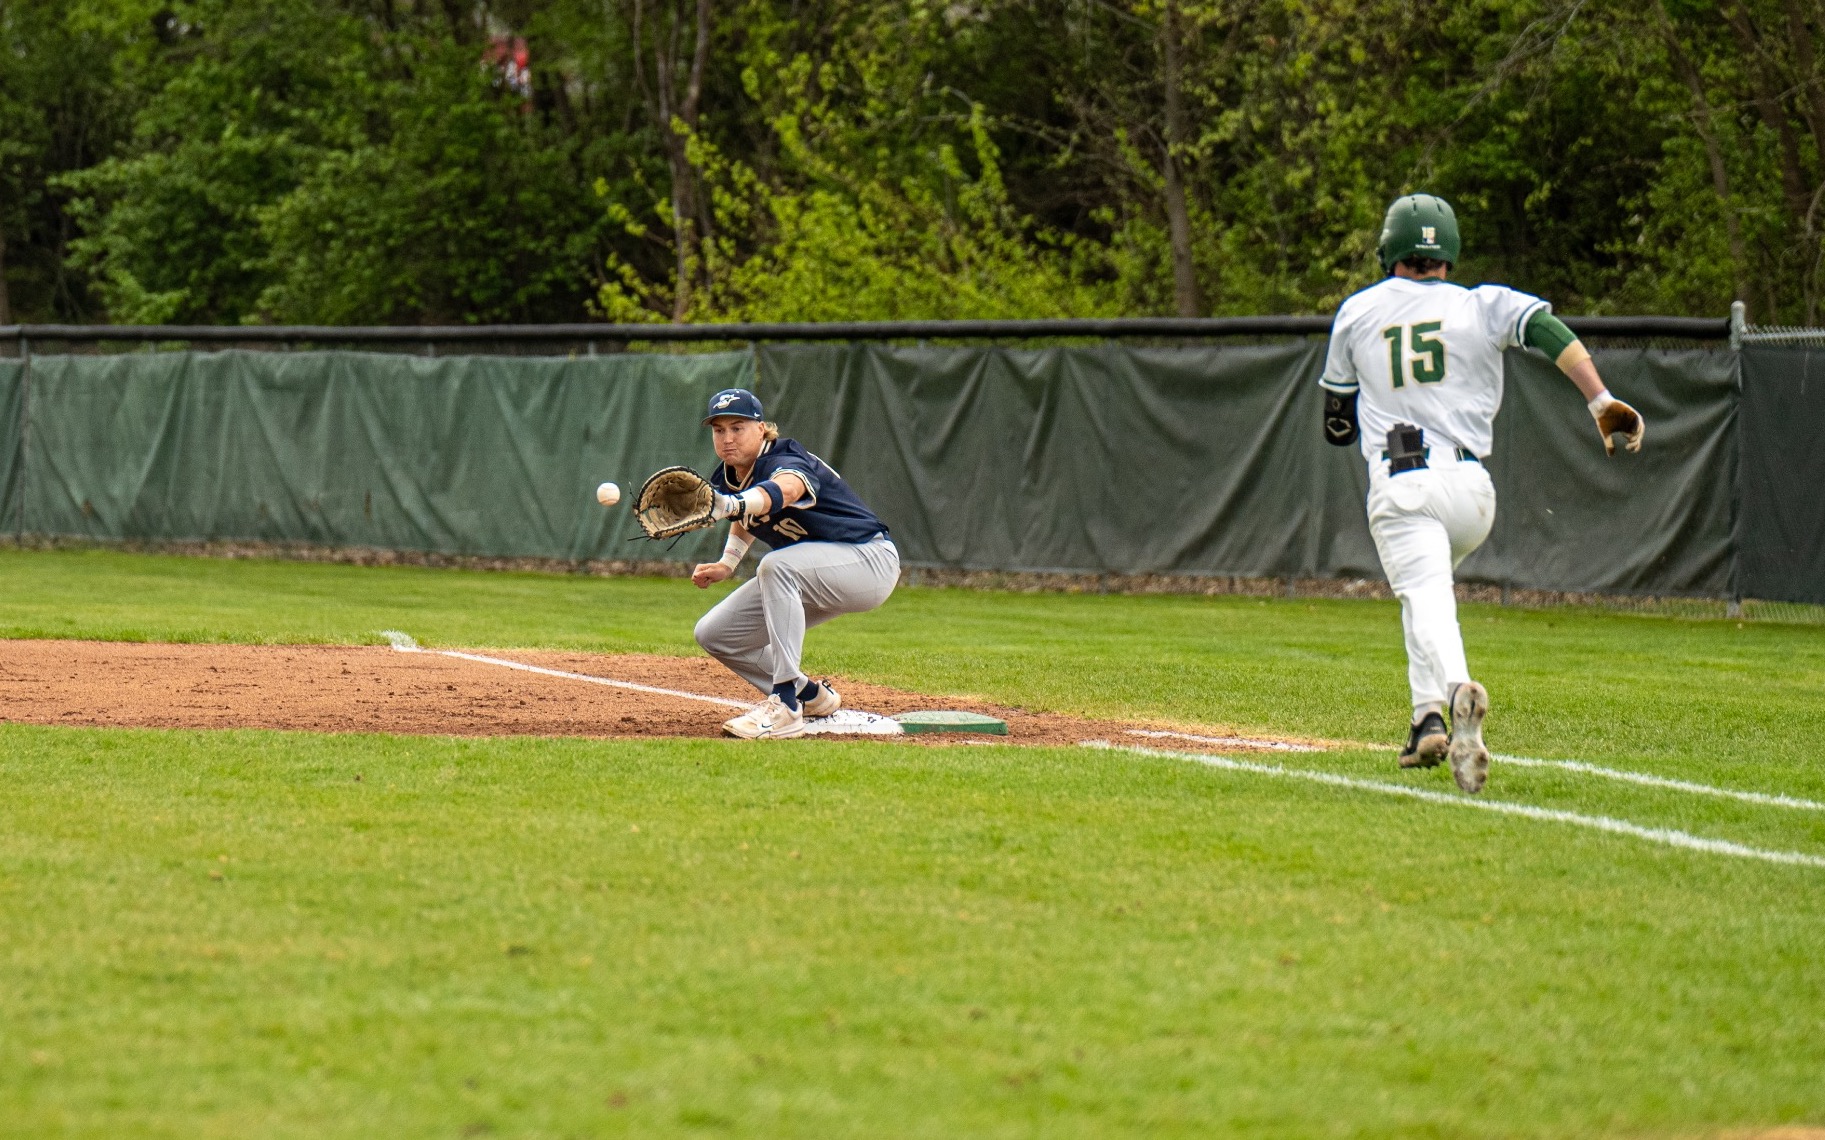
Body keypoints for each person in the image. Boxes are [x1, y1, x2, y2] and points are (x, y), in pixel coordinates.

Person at [1319, 194, 1644, 793]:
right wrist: (1600, 399)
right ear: (1450, 250)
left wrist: (1363, 405)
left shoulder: (1358, 310)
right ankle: (1425, 724)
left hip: (1405, 479)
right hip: (1473, 492)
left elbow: (1336, 418)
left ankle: (1459, 694)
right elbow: (1547, 330)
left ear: (1388, 248)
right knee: (1424, 596)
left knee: (1426, 597)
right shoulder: (1481, 303)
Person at [690, 388, 900, 740]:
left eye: (737, 427)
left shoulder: (785, 457)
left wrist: (731, 505)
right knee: (715, 634)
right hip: (812, 573)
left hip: (869, 562)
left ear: (761, 428)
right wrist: (728, 562)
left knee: (776, 566)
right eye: (718, 429)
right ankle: (809, 695)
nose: (727, 438)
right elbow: (746, 514)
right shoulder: (729, 474)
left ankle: (786, 705)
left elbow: (784, 490)